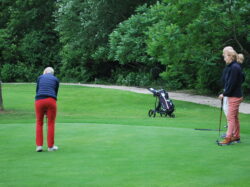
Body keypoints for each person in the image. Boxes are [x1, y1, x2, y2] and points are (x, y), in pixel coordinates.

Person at [218, 48, 244, 145]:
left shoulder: (234, 67)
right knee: (234, 117)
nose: (224, 58)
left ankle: (228, 138)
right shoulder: (235, 66)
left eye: (225, 56)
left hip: (234, 96)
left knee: (230, 117)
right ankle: (236, 136)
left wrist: (225, 94)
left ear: (229, 56)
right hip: (235, 95)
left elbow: (232, 83)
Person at [35, 67, 60, 152]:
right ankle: (50, 147)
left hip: (39, 101)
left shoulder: (40, 77)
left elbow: (37, 91)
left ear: (45, 72)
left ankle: (39, 146)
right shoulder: (55, 79)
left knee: (39, 122)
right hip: (51, 101)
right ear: (52, 73)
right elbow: (55, 93)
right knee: (51, 123)